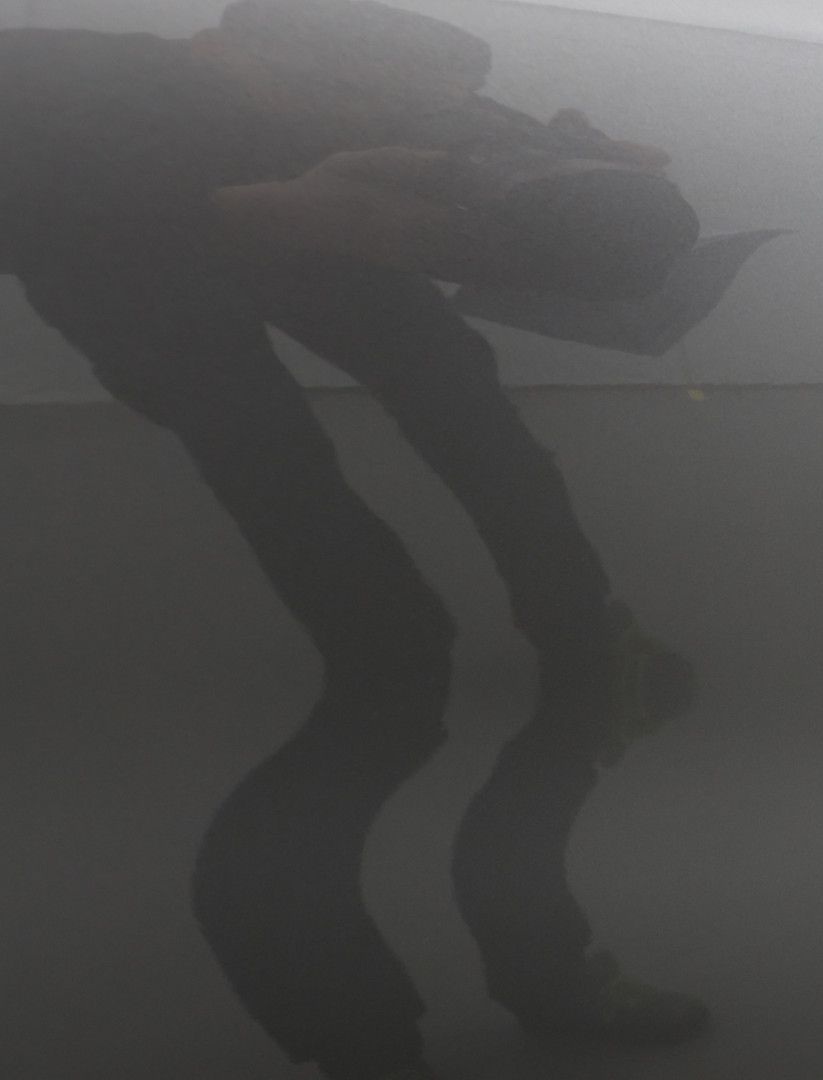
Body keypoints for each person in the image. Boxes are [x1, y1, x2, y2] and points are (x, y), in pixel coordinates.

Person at [0, 3, 702, 1077]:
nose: (390, 117)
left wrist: (555, 174)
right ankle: (365, 1042)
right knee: (317, 520)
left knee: (460, 406)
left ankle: (570, 657)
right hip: (129, 249)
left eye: (408, 105)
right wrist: (230, 211)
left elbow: (460, 339)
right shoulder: (54, 79)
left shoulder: (330, 111)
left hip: (273, 209)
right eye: (367, 99)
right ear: (246, 53)